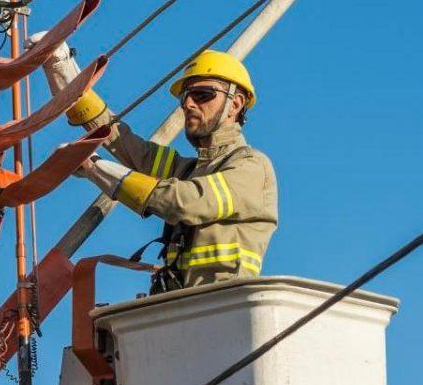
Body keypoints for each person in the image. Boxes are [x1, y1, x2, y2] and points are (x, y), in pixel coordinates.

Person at [41, 39, 277, 293]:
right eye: (185, 97)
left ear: (236, 104)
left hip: (222, 306)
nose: (188, 104)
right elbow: (128, 146)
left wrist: (94, 167)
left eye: (202, 95)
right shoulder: (189, 170)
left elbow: (184, 202)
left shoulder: (251, 166)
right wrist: (63, 73)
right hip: (177, 308)